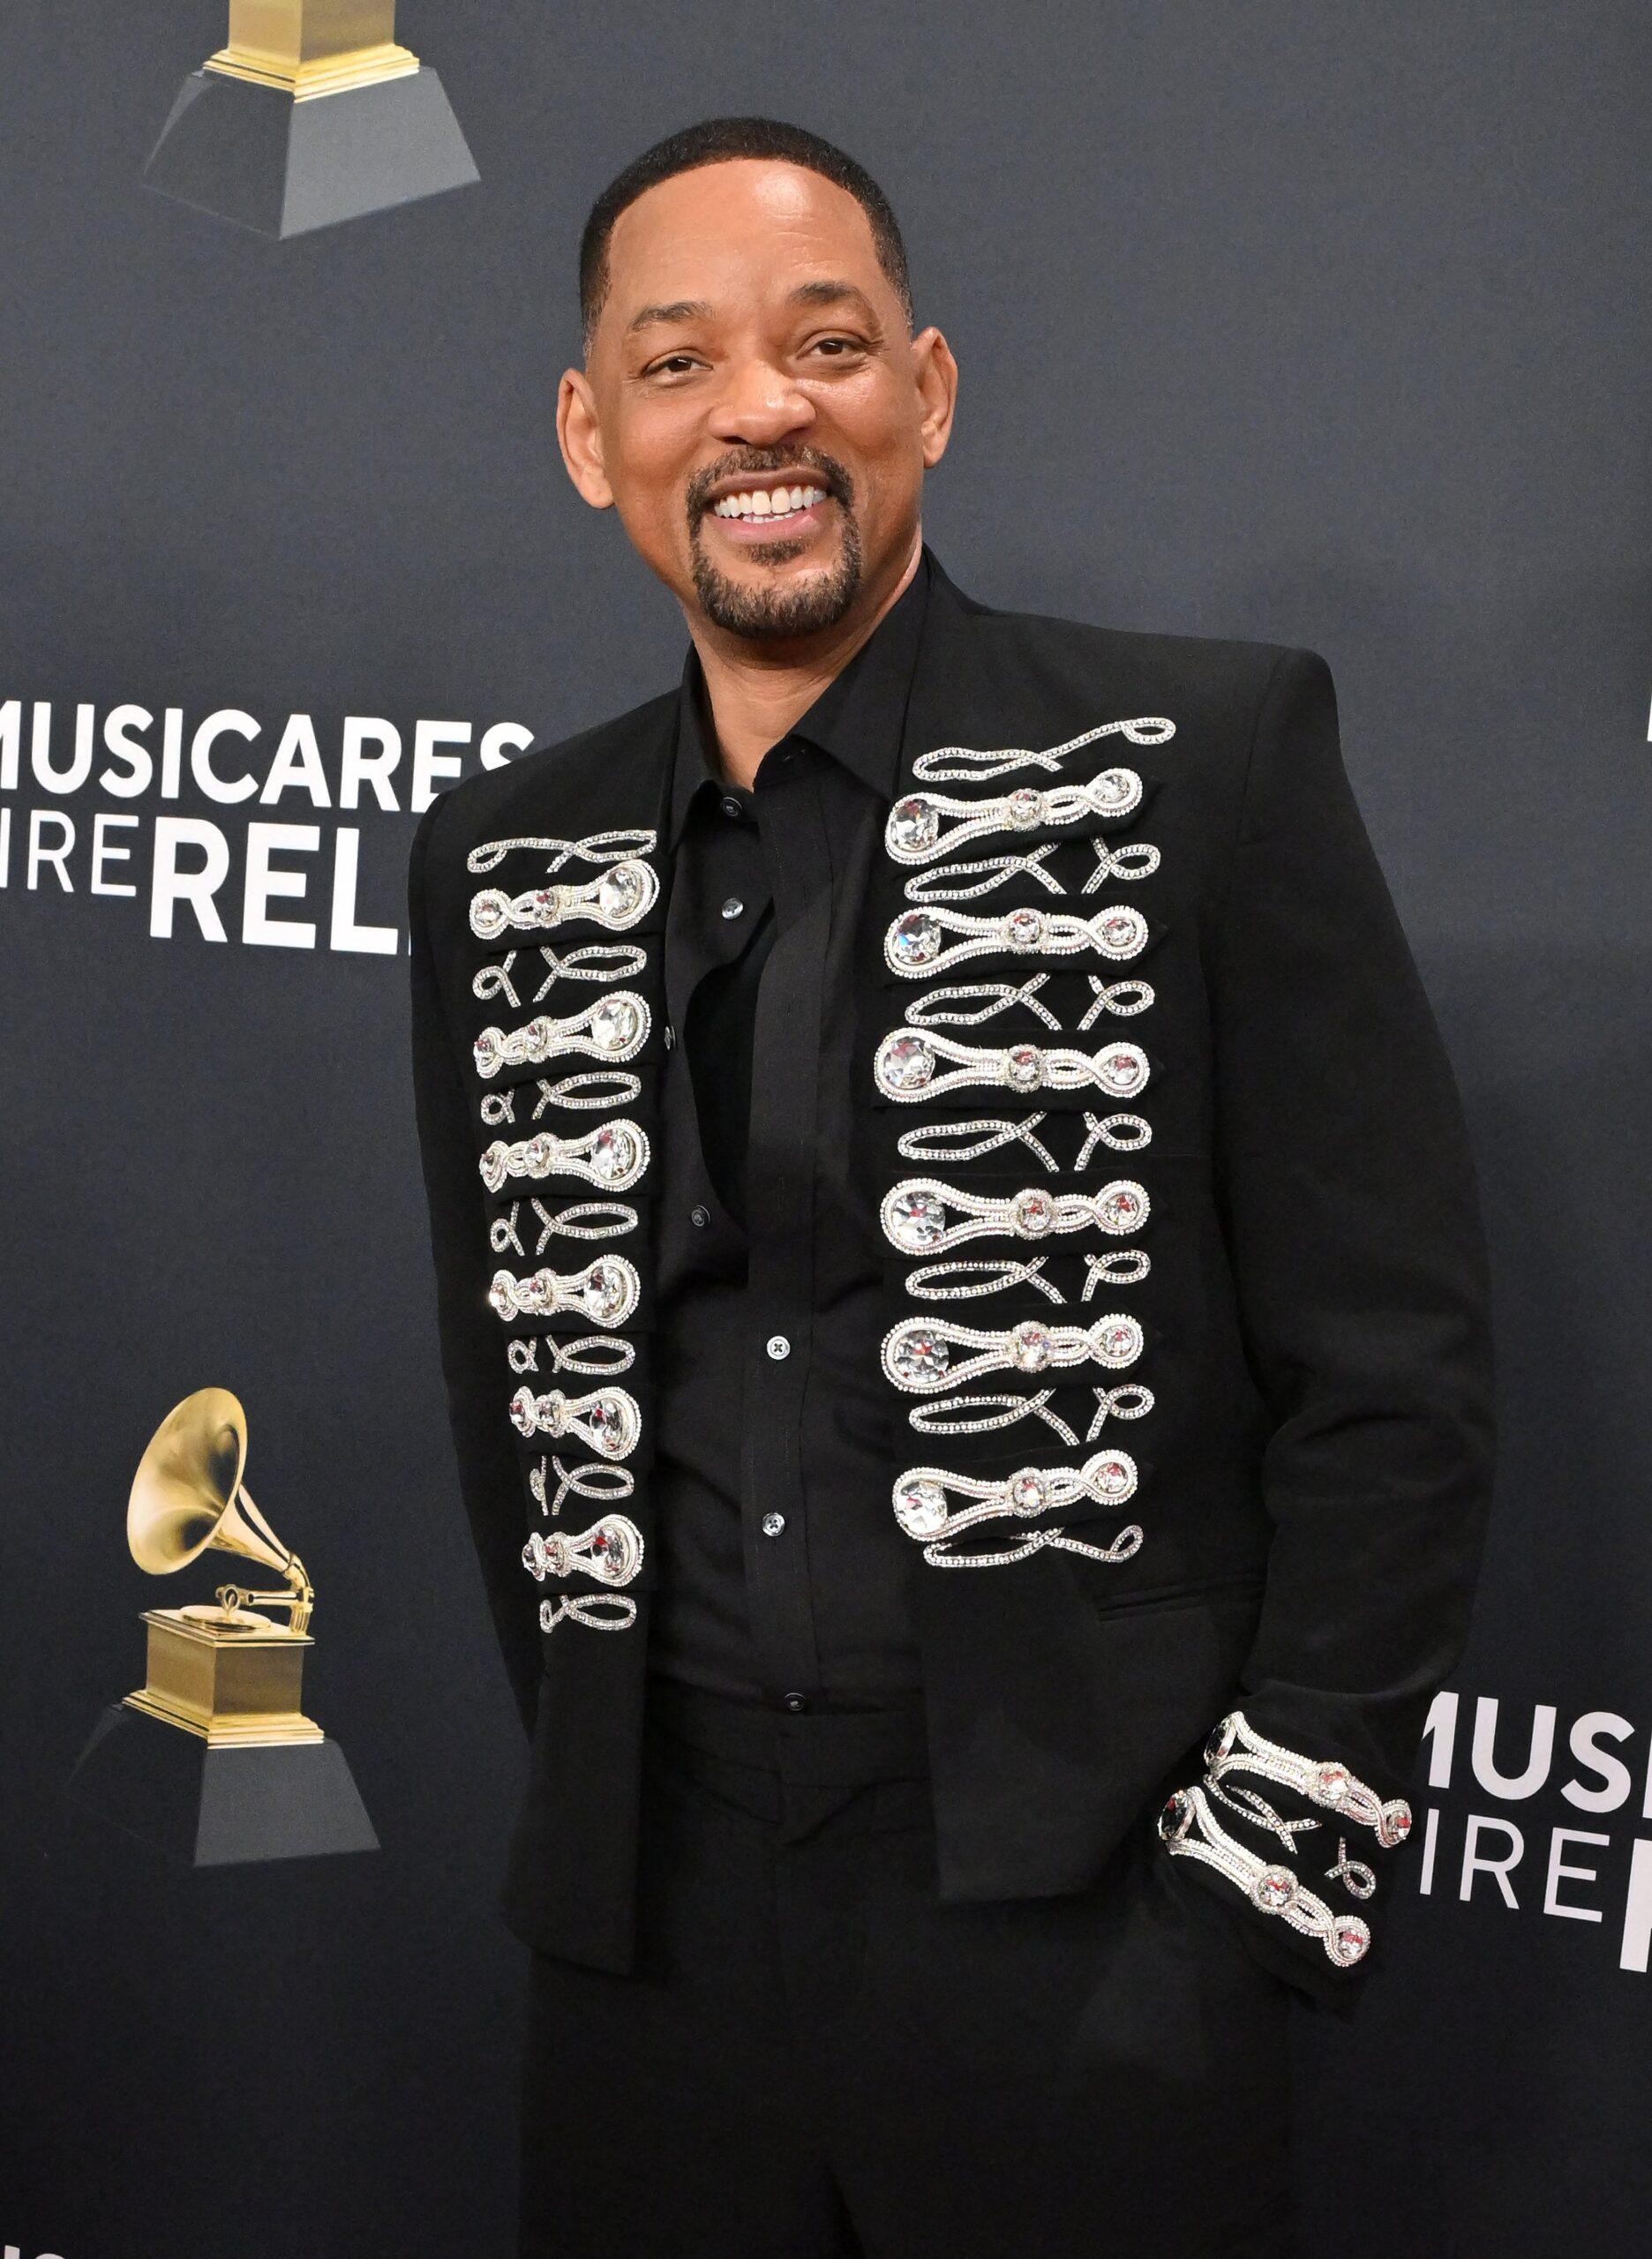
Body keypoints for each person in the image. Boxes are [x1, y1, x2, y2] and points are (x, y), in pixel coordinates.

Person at [406, 113, 1496, 2259]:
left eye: (825, 346)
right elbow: (500, 1386)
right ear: (590, 434)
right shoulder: (502, 856)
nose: (760, 412)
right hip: (643, 1939)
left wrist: (1229, 1907)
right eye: (678, 361)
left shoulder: (1207, 764)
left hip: (1079, 1922)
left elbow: (1395, 1382)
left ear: (927, 388)